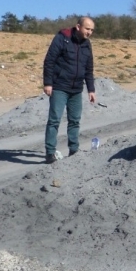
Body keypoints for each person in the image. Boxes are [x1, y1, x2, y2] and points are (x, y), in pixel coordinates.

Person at [42, 16, 97, 164]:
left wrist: (91, 89)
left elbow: (88, 68)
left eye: (92, 30)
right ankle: (50, 153)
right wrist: (48, 83)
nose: (89, 32)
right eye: (87, 29)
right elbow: (49, 61)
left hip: (76, 89)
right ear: (78, 27)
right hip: (60, 86)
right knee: (54, 120)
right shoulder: (62, 38)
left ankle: (74, 150)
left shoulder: (87, 44)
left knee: (74, 121)